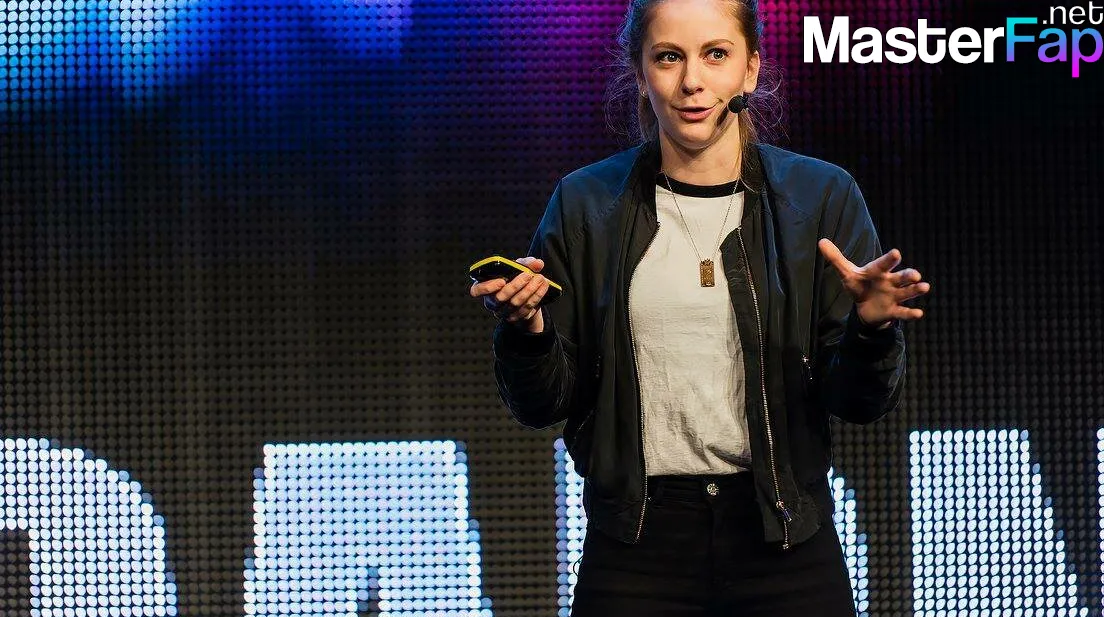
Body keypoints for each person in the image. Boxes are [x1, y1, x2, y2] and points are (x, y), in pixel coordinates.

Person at [469, 0, 931, 614]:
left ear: (751, 68)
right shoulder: (586, 203)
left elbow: (859, 403)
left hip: (784, 543)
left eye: (716, 54)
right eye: (668, 57)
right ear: (640, 74)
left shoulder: (820, 196)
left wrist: (870, 330)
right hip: (636, 549)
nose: (692, 81)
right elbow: (542, 405)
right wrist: (528, 329)